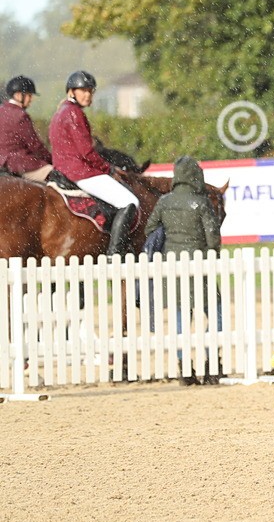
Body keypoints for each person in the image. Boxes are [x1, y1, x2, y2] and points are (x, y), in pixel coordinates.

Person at [145, 155, 223, 382]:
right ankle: (211, 362)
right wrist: (213, 254)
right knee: (215, 315)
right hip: (200, 266)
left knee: (180, 317)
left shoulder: (164, 201)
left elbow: (150, 228)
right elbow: (213, 236)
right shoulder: (201, 202)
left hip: (173, 267)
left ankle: (184, 366)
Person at [48, 70, 140, 255]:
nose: (88, 95)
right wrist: (109, 169)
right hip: (80, 172)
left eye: (90, 91)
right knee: (130, 202)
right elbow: (87, 153)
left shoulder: (60, 112)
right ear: (71, 91)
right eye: (83, 90)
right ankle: (115, 253)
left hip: (64, 170)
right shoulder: (74, 113)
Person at [0, 76, 54, 182]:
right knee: (59, 178)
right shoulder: (20, 115)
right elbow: (35, 146)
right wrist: (52, 160)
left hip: (2, 163)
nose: (31, 99)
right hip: (20, 164)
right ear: (18, 95)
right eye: (29, 95)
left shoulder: (1, 110)